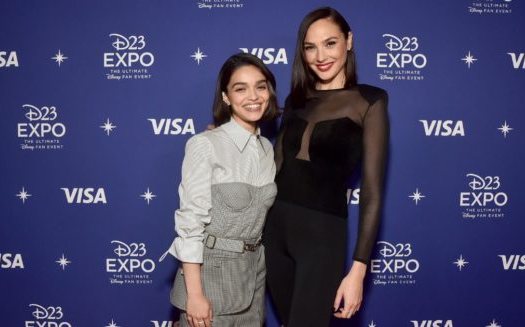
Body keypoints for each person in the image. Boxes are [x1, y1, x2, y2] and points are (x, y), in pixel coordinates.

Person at [263, 7, 389, 327]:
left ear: (348, 41)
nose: (320, 56)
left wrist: (358, 271)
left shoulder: (370, 101)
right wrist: (227, 137)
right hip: (272, 232)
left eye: (330, 43)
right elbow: (272, 168)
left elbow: (373, 194)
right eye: (310, 47)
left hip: (322, 237)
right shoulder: (296, 100)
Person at [160, 53, 279, 327]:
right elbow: (190, 223)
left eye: (260, 86)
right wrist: (195, 294)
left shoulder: (266, 149)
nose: (253, 96)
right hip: (209, 280)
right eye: (240, 88)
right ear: (226, 97)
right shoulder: (205, 144)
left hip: (252, 280)